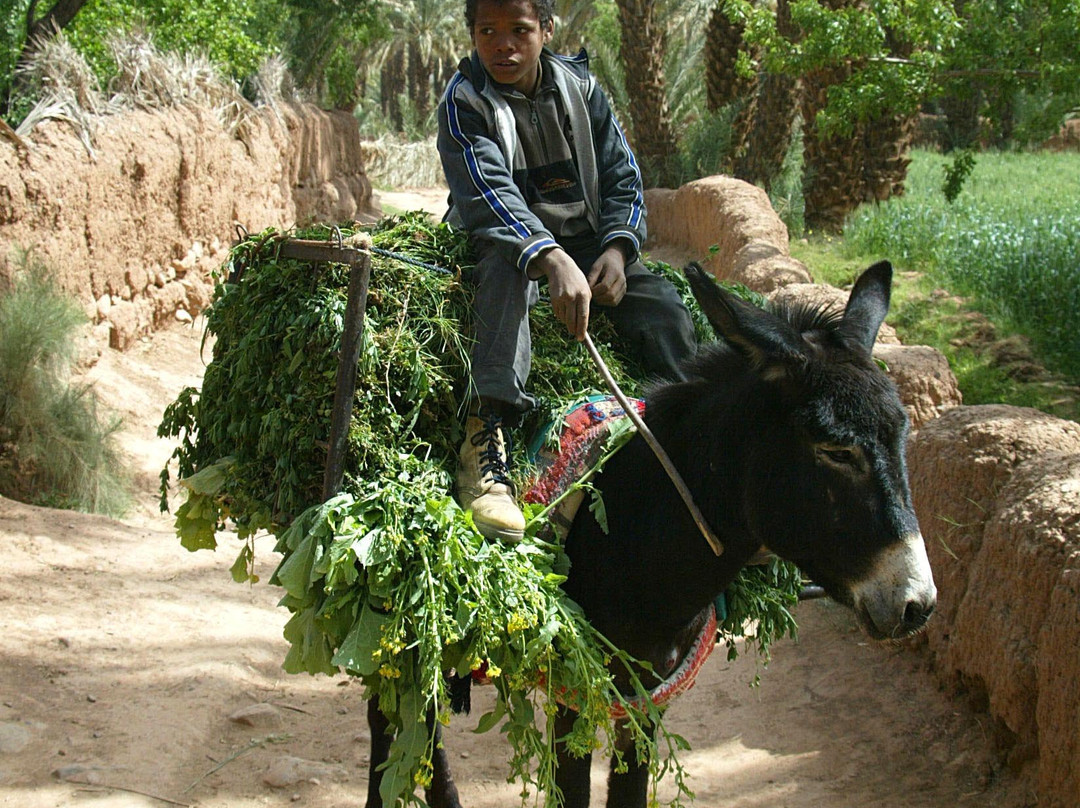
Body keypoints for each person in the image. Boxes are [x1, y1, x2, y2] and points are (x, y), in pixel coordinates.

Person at [437, 0, 697, 541]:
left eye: (519, 30)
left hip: (584, 242)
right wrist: (550, 257)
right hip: (504, 241)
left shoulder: (581, 90)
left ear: (547, 30)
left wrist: (617, 252)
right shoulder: (465, 101)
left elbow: (624, 175)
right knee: (505, 278)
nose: (503, 45)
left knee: (666, 311)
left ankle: (694, 444)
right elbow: (487, 192)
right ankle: (488, 440)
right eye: (487, 31)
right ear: (472, 34)